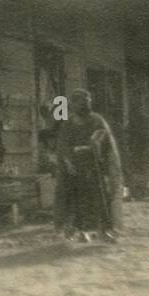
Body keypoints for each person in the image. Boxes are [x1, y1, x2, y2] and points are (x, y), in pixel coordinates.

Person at [56, 88, 122, 243]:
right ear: (74, 104)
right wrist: (68, 161)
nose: (86, 104)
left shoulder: (97, 120)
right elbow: (63, 146)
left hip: (95, 165)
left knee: (101, 197)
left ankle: (106, 230)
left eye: (88, 101)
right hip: (75, 167)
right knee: (78, 199)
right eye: (82, 102)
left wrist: (97, 144)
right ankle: (80, 231)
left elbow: (105, 139)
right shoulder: (68, 124)